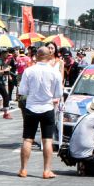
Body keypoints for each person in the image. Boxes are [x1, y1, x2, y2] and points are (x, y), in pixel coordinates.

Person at [17, 47, 63, 179]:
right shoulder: (55, 72)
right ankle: (47, 171)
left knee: (27, 139)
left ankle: (23, 169)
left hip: (31, 107)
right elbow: (58, 94)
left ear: (36, 56)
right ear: (50, 56)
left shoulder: (29, 71)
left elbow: (23, 91)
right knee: (47, 140)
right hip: (47, 108)